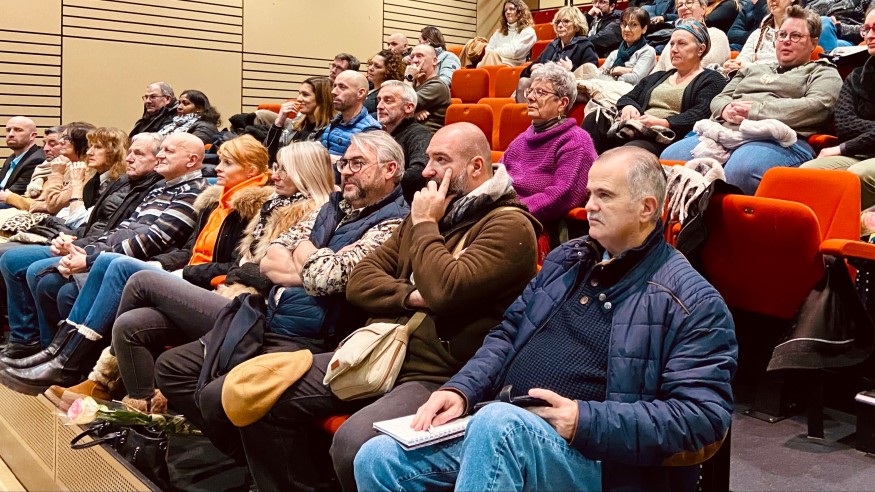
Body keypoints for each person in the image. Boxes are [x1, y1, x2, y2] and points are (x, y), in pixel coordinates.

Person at [354, 146, 738, 492]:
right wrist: (462, 389)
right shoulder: (566, 259)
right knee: (377, 458)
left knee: (498, 425)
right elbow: (507, 334)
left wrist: (584, 421)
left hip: (599, 459)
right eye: (590, 193)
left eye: (605, 196)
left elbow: (702, 417)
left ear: (647, 208)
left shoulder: (690, 300)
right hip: (509, 425)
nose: (589, 206)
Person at [194, 123, 539, 491]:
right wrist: (410, 295)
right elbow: (360, 280)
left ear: (475, 166)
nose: (427, 171)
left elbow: (444, 289)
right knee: (251, 395)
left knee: (352, 444)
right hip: (372, 346)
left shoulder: (508, 225)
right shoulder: (428, 213)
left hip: (433, 371)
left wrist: (426, 224)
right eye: (428, 159)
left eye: (441, 160)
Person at [151, 131, 409, 473]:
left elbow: (329, 277)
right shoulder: (332, 206)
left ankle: (270, 472)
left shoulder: (394, 222)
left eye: (357, 163)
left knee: (220, 394)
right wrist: (312, 259)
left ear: (390, 169)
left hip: (316, 336)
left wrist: (303, 253)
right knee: (172, 367)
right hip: (269, 317)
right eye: (345, 162)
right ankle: (246, 458)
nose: (346, 170)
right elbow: (270, 259)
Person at [48, 141, 337, 407]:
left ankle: (68, 360)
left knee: (134, 275)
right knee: (130, 322)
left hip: (250, 308)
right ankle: (139, 402)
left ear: (304, 172)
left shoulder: (310, 214)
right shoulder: (266, 205)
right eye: (276, 167)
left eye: (284, 169)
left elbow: (270, 273)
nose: (275, 175)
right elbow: (235, 262)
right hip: (222, 291)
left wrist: (196, 273)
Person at [3, 135, 273, 392]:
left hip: (217, 292)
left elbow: (237, 269)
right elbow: (185, 249)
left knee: (111, 265)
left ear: (251, 170)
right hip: (184, 276)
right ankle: (58, 357)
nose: (218, 168)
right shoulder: (215, 200)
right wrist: (158, 265)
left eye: (228, 163)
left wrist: (179, 271)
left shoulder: (255, 208)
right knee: (122, 309)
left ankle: (63, 360)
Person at [0, 133, 207, 364]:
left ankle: (60, 358)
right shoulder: (158, 187)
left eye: (168, 151)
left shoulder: (192, 192)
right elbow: (120, 228)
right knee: (27, 267)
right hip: (99, 247)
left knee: (46, 278)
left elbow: (153, 241)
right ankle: (48, 352)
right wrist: (83, 248)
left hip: (139, 262)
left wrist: (88, 257)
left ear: (191, 160)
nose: (160, 155)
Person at [660, 6, 843, 194]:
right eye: (782, 35)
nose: (786, 41)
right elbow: (720, 97)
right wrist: (725, 109)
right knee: (670, 158)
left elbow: (818, 106)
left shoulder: (822, 71)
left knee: (741, 171)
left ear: (813, 43)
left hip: (779, 139)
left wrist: (755, 111)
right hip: (726, 131)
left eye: (795, 36)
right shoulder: (753, 69)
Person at [583, 21, 728, 154]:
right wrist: (629, 107)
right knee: (593, 119)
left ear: (700, 49)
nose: (674, 49)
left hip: (665, 135)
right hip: (637, 125)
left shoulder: (713, 79)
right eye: (672, 44)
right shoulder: (658, 76)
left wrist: (665, 122)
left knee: (630, 150)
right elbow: (628, 97)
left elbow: (701, 112)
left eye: (682, 44)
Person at [504, 63, 597, 229]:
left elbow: (562, 195)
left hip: (535, 225)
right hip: (503, 214)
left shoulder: (576, 141)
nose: (530, 97)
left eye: (540, 92)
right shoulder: (520, 140)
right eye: (530, 91)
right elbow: (496, 177)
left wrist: (508, 211)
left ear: (562, 103)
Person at [801, 7, 875, 209]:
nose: (869, 35)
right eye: (866, 29)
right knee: (807, 172)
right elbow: (844, 126)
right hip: (861, 152)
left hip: (856, 153)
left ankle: (854, 227)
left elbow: (849, 132)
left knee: (858, 175)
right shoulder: (856, 77)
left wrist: (843, 148)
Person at [516, 6, 598, 101]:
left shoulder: (584, 45)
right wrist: (531, 68)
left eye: (565, 21)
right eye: (557, 22)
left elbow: (591, 73)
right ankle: (527, 110)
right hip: (546, 84)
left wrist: (571, 69)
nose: (560, 25)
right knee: (523, 82)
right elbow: (526, 72)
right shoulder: (553, 45)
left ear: (576, 26)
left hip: (567, 87)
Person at [376, 80, 433, 202]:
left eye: (388, 101)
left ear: (408, 107)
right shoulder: (376, 133)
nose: (379, 106)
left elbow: (419, 172)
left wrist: (376, 184)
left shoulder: (419, 134)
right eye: (379, 100)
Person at [321, 70, 382, 174]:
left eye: (342, 87)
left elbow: (362, 170)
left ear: (360, 93)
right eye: (334, 86)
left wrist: (329, 160)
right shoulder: (334, 122)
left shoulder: (370, 130)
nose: (333, 92)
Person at [263, 77, 334, 164]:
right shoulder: (297, 122)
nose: (299, 99)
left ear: (321, 99)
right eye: (299, 94)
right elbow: (267, 155)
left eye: (305, 95)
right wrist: (279, 122)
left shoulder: (329, 129)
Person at [651, 0, 732, 72]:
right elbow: (657, 72)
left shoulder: (716, 35)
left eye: (689, 2)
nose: (683, 7)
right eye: (680, 5)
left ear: (703, 8)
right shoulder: (673, 40)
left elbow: (702, 65)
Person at [723, 0, 798, 73]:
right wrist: (733, 65)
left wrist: (747, 67)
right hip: (748, 77)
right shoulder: (757, 33)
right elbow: (742, 59)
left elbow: (784, 67)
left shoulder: (797, 35)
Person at [600, 7, 658, 85]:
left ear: (644, 29)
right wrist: (622, 70)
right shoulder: (615, 54)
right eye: (624, 24)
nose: (626, 29)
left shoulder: (648, 51)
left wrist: (611, 72)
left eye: (633, 24)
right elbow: (599, 74)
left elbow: (636, 79)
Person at [405, 45, 451, 132]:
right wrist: (413, 113)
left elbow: (400, 105)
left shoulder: (437, 86)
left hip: (425, 136)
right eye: (412, 57)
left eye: (419, 56)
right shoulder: (412, 83)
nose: (414, 60)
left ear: (434, 61)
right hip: (409, 132)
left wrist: (408, 77)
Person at [479, 0, 537, 67]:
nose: (508, 12)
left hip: (512, 66)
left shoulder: (528, 32)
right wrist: (503, 51)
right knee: (484, 62)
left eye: (511, 9)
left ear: (520, 12)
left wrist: (495, 51)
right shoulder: (499, 32)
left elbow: (515, 52)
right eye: (505, 10)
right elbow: (488, 50)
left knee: (490, 57)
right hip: (493, 61)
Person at [156, 89, 221, 144]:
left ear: (199, 108)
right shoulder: (175, 123)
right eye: (179, 103)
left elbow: (189, 148)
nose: (179, 107)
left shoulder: (205, 127)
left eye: (186, 103)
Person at [0, 117, 44, 198]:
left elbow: (13, 194)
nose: (11, 134)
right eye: (8, 130)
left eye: (18, 130)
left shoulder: (37, 160)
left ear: (32, 136)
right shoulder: (11, 158)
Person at [364, 50, 405, 114]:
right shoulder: (367, 86)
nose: (370, 68)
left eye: (377, 66)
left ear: (388, 71)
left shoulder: (386, 94)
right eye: (371, 64)